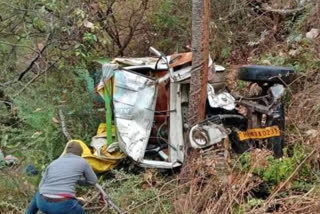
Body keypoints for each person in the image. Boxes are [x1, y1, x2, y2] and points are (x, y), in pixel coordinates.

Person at [26, 141, 98, 214]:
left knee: (38, 194)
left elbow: (41, 185)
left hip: (42, 203)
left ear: (66, 151)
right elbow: (93, 181)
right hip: (62, 205)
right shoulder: (82, 162)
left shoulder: (54, 162)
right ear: (80, 153)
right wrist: (78, 181)